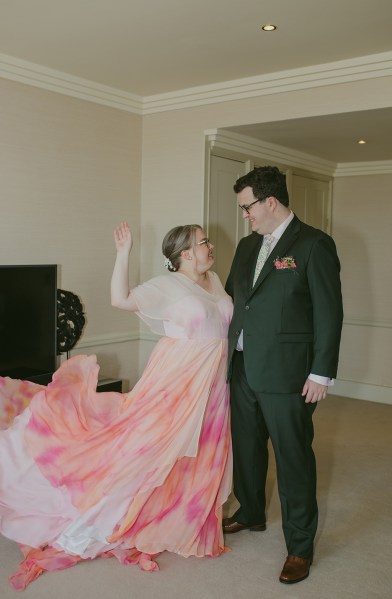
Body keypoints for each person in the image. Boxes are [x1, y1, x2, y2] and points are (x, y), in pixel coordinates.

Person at [0, 222, 233, 590]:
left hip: (213, 380)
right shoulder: (167, 285)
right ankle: (105, 515)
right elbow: (120, 299)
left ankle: (179, 513)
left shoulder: (215, 280)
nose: (210, 246)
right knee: (147, 448)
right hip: (177, 379)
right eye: (204, 242)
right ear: (185, 253)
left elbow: (223, 325)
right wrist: (123, 254)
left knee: (201, 450)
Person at [223, 166, 343, 584]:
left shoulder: (313, 244)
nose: (244, 215)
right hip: (241, 369)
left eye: (247, 207)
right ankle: (252, 511)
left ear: (269, 202)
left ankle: (300, 546)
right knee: (247, 448)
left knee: (293, 460)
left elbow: (329, 312)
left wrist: (321, 373)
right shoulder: (244, 247)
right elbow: (234, 301)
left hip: (288, 375)